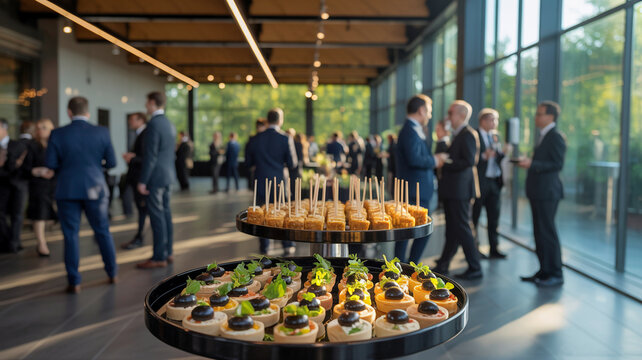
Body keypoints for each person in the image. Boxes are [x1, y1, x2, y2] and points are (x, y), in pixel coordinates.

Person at [45, 97, 118, 293]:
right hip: (96, 187)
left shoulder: (57, 134)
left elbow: (50, 164)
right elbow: (111, 163)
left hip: (67, 189)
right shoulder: (101, 132)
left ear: (69, 112)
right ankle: (112, 273)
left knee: (70, 235)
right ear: (88, 112)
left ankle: (74, 281)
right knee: (102, 231)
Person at [517, 101, 566, 287]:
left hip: (548, 192)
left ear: (550, 116)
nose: (536, 117)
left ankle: (555, 273)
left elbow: (557, 165)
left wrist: (532, 164)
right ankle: (544, 271)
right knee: (539, 233)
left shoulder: (555, 137)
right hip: (538, 192)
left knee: (548, 233)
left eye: (540, 114)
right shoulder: (543, 136)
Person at [434, 100, 482, 280]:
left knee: (462, 227)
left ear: (461, 115)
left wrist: (448, 161)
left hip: (460, 190)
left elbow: (469, 161)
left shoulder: (468, 134)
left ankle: (475, 266)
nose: (448, 117)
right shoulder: (459, 134)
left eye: (450, 113)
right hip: (454, 189)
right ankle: (444, 263)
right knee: (453, 228)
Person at [394, 95, 444, 264]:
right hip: (414, 190)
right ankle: (407, 266)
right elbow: (414, 159)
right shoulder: (409, 130)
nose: (429, 115)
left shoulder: (414, 129)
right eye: (428, 111)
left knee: (408, 231)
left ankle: (403, 266)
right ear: (421, 110)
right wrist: (435, 161)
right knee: (413, 231)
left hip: (417, 189)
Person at [246, 108, 297, 255]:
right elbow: (292, 163)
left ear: (267, 121)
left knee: (262, 215)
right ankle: (287, 244)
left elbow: (248, 164)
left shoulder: (255, 139)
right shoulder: (285, 138)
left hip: (261, 182)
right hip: (280, 183)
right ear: (280, 120)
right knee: (283, 213)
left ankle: (265, 247)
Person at [136, 92, 177, 269]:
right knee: (166, 213)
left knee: (156, 216)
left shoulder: (153, 124)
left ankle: (158, 256)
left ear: (152, 103)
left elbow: (151, 155)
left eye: (147, 102)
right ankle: (168, 252)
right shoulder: (169, 123)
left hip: (156, 177)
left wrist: (142, 180)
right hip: (168, 175)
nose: (146, 105)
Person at [472, 108, 506, 259]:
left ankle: (494, 248)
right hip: (480, 182)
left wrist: (502, 153)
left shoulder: (495, 137)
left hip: (494, 182)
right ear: (483, 121)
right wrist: (484, 156)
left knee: (494, 217)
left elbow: (497, 159)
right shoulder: (474, 135)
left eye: (496, 120)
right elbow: (470, 159)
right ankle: (475, 249)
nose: (495, 123)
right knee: (475, 216)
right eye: (492, 119)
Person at [27, 118, 57, 257]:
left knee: (49, 213)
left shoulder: (55, 145)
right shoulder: (32, 146)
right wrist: (39, 171)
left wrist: (53, 172)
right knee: (39, 214)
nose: (40, 130)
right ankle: (41, 243)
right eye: (38, 128)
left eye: (43, 127)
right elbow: (26, 167)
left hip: (53, 183)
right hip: (38, 184)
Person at [0, 118, 29, 253]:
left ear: (4, 129)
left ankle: (14, 242)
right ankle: (7, 240)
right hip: (2, 186)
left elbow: (23, 166)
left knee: (17, 215)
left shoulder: (17, 145)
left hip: (18, 185)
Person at [121, 112, 148, 250]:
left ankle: (140, 237)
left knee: (143, 209)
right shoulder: (138, 134)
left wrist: (132, 158)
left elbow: (146, 158)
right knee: (141, 209)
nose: (129, 122)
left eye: (132, 119)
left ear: (140, 120)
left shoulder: (145, 134)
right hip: (135, 177)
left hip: (140, 178)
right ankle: (139, 236)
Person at [245, 119, 267, 190]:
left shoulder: (252, 139)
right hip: (259, 170)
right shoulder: (254, 139)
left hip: (257, 170)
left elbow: (248, 155)